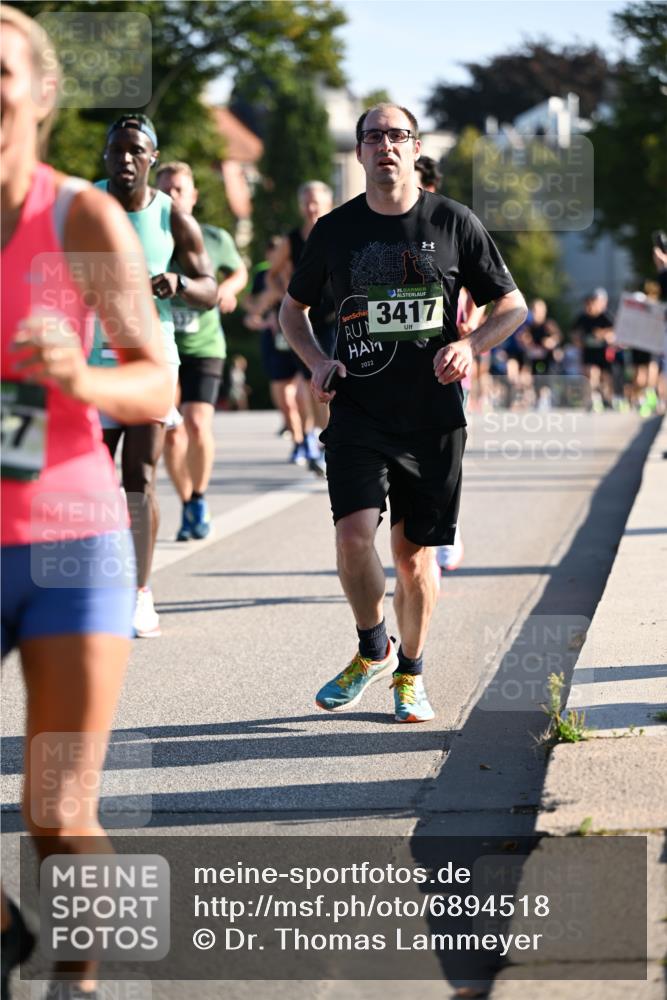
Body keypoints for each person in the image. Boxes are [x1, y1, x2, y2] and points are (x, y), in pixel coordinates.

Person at [0, 6, 172, 998]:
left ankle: (86, 976)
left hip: (68, 543)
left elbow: (156, 381)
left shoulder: (81, 218)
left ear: (42, 93)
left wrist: (81, 377)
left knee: (57, 812)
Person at [280, 103, 527, 723]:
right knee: (351, 536)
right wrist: (314, 361)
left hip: (432, 416)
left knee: (414, 557)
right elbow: (292, 311)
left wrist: (470, 346)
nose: (385, 146)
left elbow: (512, 306)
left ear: (415, 147)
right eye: (374, 137)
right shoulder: (334, 231)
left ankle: (411, 673)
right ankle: (373, 647)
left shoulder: (454, 221)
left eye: (398, 135)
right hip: (359, 410)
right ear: (360, 152)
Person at [89, 121, 217, 630]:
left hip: (151, 359)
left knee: (138, 478)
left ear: (152, 158)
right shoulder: (83, 205)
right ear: (105, 156)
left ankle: (141, 591)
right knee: (91, 482)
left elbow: (209, 288)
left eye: (135, 152)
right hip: (91, 361)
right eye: (116, 150)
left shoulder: (172, 217)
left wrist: (179, 282)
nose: (124, 159)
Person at [156, 161, 248, 540]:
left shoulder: (213, 237)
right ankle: (188, 503)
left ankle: (198, 497)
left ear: (193, 196)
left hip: (205, 345)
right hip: (161, 346)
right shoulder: (152, 238)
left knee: (195, 423)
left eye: (180, 189)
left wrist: (228, 289)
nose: (174, 196)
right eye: (166, 190)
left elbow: (238, 271)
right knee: (171, 433)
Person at [570, 288, 615, 411]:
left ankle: (607, 398)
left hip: (603, 352)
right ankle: (592, 399)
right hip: (588, 352)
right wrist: (577, 340)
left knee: (605, 377)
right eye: (587, 304)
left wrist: (603, 334)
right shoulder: (582, 318)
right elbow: (574, 333)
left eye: (591, 303)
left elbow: (614, 331)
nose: (589, 307)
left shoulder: (605, 316)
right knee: (591, 373)